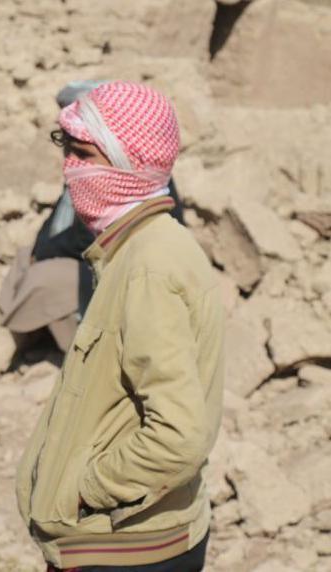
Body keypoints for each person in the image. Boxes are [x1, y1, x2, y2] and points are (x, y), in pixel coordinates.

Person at [14, 81, 224, 572]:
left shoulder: (149, 265)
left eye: (84, 154)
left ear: (128, 161)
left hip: (125, 550)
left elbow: (179, 435)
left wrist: (85, 489)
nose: (70, 168)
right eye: (65, 149)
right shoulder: (134, 248)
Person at [0, 80, 185, 353]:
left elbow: (91, 237)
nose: (72, 159)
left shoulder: (136, 185)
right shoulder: (87, 171)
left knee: (46, 279)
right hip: (84, 261)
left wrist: (47, 252)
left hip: (94, 268)